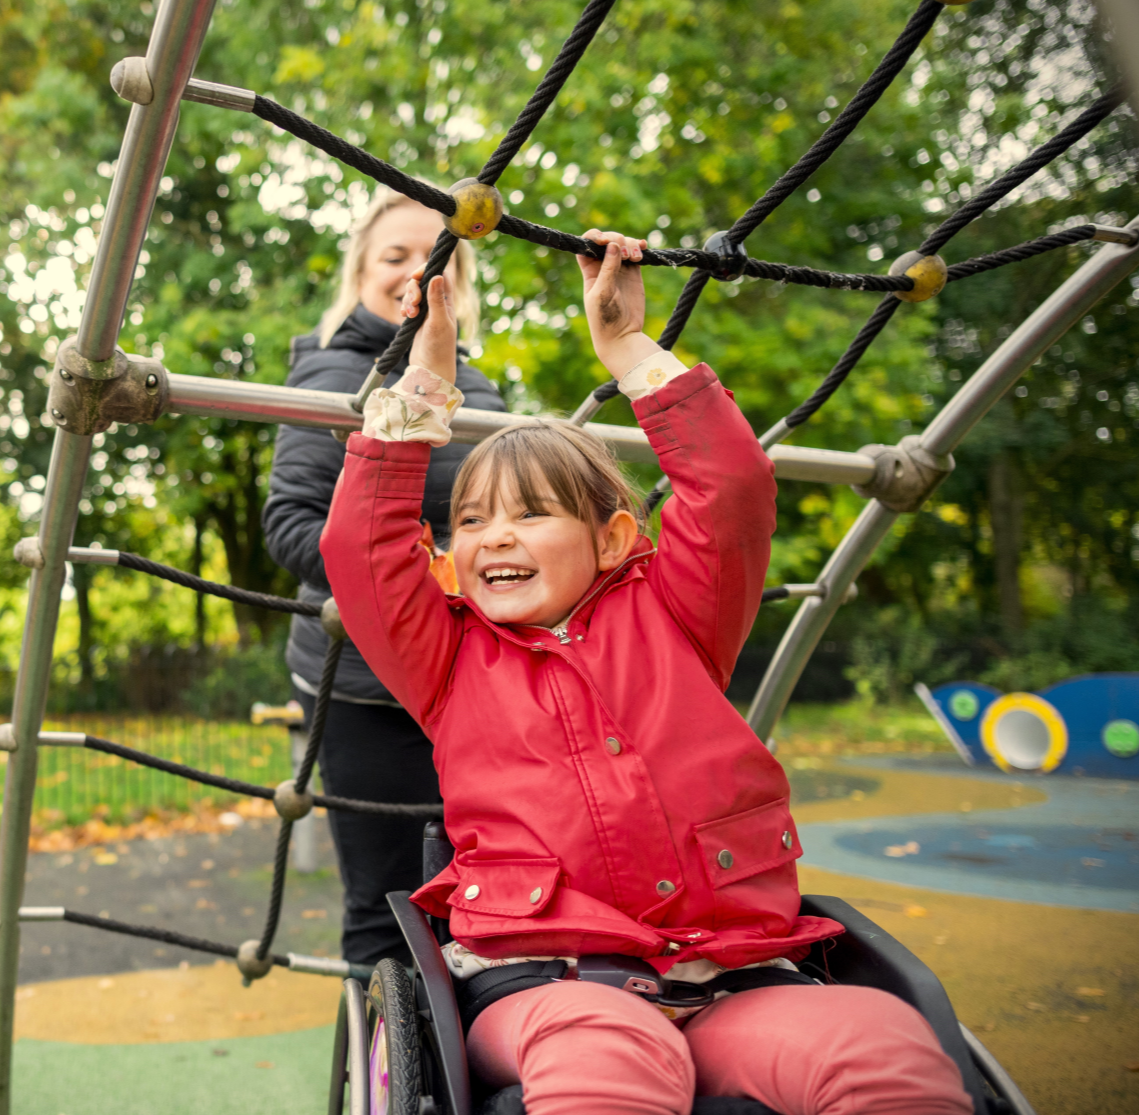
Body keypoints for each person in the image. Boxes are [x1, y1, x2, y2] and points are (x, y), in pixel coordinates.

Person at [320, 230, 974, 1115]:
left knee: (877, 1042)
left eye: (531, 514)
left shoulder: (676, 615)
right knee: (610, 1053)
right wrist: (425, 385)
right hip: (549, 982)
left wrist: (629, 348)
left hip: (732, 977)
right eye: (469, 522)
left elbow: (730, 488)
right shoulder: (448, 657)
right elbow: (361, 549)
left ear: (612, 540)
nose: (494, 536)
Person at [262, 188, 507, 967]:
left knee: (484, 895)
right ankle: (383, 1046)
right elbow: (291, 525)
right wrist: (419, 581)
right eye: (394, 256)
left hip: (468, 674)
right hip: (365, 684)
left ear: (458, 282)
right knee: (388, 906)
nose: (414, 273)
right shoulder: (334, 376)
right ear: (360, 274)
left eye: (435, 259)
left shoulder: (483, 391)